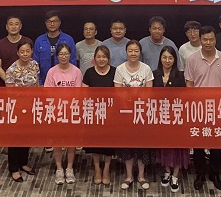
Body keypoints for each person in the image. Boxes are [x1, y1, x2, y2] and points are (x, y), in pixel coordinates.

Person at [185, 26, 221, 191]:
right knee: (198, 143)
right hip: (199, 108)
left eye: (211, 39)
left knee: (216, 143)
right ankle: (200, 174)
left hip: (218, 108)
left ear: (215, 40)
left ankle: (215, 173)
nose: (208, 42)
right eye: (204, 39)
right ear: (200, 40)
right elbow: (189, 83)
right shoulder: (192, 59)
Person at [114, 40, 154, 190]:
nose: (133, 53)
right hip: (125, 114)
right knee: (128, 146)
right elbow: (118, 92)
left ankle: (141, 176)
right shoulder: (120, 69)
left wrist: (139, 107)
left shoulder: (146, 68)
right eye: (130, 51)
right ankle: (129, 176)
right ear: (126, 52)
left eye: (136, 51)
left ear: (140, 52)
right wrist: (128, 108)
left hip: (142, 114)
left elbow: (149, 92)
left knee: (142, 145)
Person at [44, 43, 83, 185]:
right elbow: (48, 92)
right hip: (56, 111)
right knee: (57, 141)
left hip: (72, 111)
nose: (63, 56)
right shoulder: (52, 72)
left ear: (70, 55)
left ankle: (69, 168)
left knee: (71, 141)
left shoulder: (76, 72)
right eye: (61, 54)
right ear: (57, 56)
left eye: (66, 54)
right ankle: (59, 168)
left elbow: (78, 93)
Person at [153, 46, 188, 193]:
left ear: (175, 60)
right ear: (160, 58)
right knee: (165, 146)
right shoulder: (154, 74)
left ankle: (175, 175)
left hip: (176, 116)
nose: (167, 61)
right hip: (160, 116)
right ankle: (167, 171)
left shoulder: (180, 76)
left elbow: (184, 97)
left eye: (170, 58)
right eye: (164, 57)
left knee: (177, 146)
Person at [5, 40, 40, 183]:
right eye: (22, 52)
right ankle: (14, 168)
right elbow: (10, 93)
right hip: (16, 108)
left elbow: (36, 84)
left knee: (27, 136)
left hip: (31, 106)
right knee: (15, 138)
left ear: (31, 52)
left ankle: (23, 163)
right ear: (17, 53)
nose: (25, 54)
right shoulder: (11, 70)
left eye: (28, 51)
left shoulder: (34, 64)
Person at [82, 45, 117, 186]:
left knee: (109, 143)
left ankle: (106, 169)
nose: (101, 59)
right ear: (94, 58)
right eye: (99, 57)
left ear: (108, 58)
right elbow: (84, 94)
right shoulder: (89, 72)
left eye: (104, 57)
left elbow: (118, 93)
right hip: (94, 113)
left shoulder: (115, 71)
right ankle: (97, 169)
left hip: (111, 114)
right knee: (94, 144)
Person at [34, 10, 77, 85]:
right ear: (45, 23)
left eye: (55, 21)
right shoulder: (39, 41)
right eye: (49, 21)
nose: (52, 24)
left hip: (65, 83)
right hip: (43, 82)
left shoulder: (68, 39)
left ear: (59, 22)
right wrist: (39, 82)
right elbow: (35, 64)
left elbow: (73, 61)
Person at [0, 16, 32, 87]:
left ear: (20, 26)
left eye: (16, 24)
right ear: (6, 27)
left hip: (25, 85)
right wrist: (10, 81)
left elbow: (31, 63)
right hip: (3, 85)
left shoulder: (27, 42)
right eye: (11, 24)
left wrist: (21, 83)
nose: (13, 27)